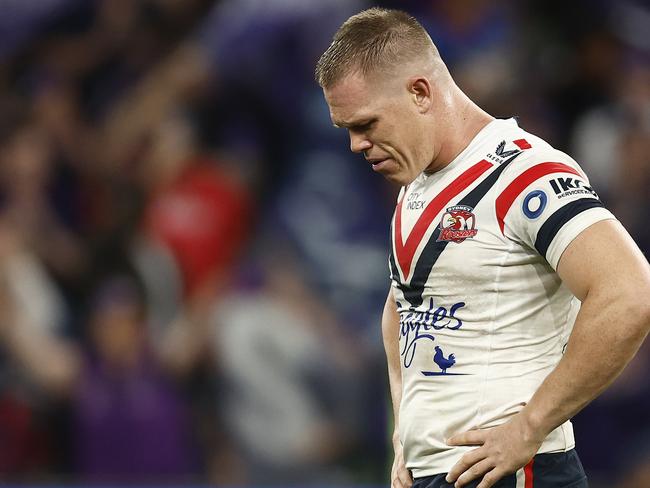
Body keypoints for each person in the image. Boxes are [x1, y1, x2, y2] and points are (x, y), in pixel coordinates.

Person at [315, 8, 650, 488]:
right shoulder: (417, 187)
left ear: (420, 92)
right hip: (439, 473)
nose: (355, 144)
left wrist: (529, 427)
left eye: (366, 124)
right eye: (346, 129)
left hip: (512, 472)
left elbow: (630, 291)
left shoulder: (525, 172)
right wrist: (404, 439)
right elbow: (403, 306)